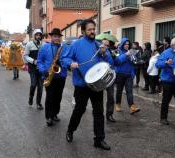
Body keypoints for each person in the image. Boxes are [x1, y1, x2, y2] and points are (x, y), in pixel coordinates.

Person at [61, 19, 112, 150]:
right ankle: (70, 130)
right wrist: (70, 63)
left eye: (93, 29)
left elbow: (109, 62)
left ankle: (99, 139)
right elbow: (64, 58)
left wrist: (104, 53)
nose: (92, 32)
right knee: (79, 110)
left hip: (97, 85)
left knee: (99, 112)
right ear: (83, 31)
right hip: (81, 85)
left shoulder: (99, 45)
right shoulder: (76, 44)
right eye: (89, 29)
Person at [37, 28, 67, 126]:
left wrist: (63, 63)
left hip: (61, 76)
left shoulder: (64, 48)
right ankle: (49, 117)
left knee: (58, 97)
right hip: (48, 75)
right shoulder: (45, 47)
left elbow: (68, 60)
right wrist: (43, 71)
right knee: (50, 97)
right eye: (55, 36)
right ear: (51, 37)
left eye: (58, 36)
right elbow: (39, 61)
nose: (57, 38)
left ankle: (55, 114)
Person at [115, 38, 140, 115]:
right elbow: (117, 61)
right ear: (122, 44)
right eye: (125, 44)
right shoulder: (118, 51)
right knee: (119, 91)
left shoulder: (130, 52)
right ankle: (118, 104)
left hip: (129, 75)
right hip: (120, 75)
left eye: (128, 44)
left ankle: (132, 107)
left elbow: (134, 63)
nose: (127, 46)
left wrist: (132, 73)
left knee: (129, 91)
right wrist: (126, 55)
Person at [23, 29, 44, 110]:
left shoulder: (44, 44)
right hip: (32, 68)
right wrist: (33, 61)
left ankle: (38, 103)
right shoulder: (29, 44)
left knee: (40, 87)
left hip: (41, 68)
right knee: (33, 84)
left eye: (39, 35)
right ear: (34, 35)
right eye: (37, 35)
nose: (38, 36)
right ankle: (31, 97)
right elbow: (25, 55)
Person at [101, 38, 116, 123]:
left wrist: (115, 57)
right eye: (104, 45)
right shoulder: (98, 52)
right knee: (98, 98)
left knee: (111, 97)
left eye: (107, 45)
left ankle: (109, 114)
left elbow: (117, 62)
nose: (106, 46)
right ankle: (98, 114)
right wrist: (103, 54)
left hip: (109, 76)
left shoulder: (110, 52)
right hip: (100, 77)